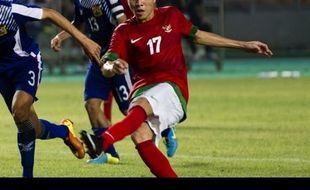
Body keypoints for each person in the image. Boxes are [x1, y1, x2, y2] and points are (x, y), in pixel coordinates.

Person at [80, 0, 272, 177]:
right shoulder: (123, 30)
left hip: (172, 86)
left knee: (143, 106)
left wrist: (243, 45)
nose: (139, 3)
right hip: (142, 89)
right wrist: (112, 67)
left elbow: (198, 36)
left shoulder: (170, 15)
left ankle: (102, 141)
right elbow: (106, 64)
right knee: (139, 135)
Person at [0, 0, 101, 178]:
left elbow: (50, 13)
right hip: (2, 73)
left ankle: (27, 174)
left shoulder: (9, 11)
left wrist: (84, 41)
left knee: (19, 109)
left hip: (25, 63)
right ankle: (64, 132)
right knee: (33, 128)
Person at [51, 0, 132, 164]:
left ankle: (166, 128)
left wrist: (118, 53)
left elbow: (123, 23)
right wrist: (61, 36)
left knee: (129, 110)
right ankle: (109, 154)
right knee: (91, 104)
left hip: (117, 57)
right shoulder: (81, 2)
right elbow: (78, 22)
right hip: (97, 59)